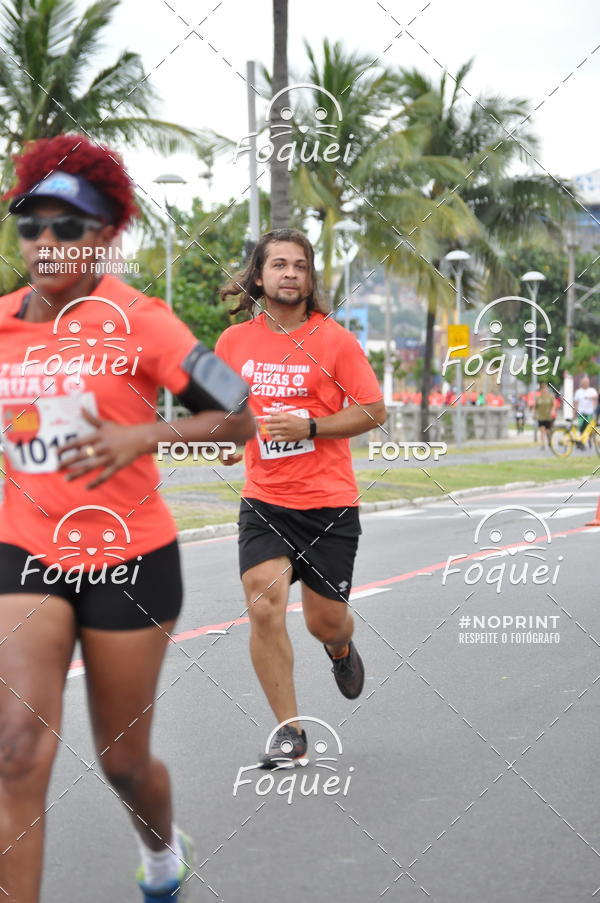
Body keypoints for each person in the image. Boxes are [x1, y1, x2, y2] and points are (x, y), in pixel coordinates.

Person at [0, 134, 254, 903]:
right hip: (25, 548)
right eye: (30, 224)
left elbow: (240, 414)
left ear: (107, 234)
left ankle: (161, 848)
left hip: (129, 559)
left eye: (66, 226)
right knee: (14, 749)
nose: (46, 242)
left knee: (122, 759)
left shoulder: (145, 322)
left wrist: (142, 435)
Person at [215, 229, 386, 768]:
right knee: (263, 602)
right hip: (265, 499)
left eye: (300, 266)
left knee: (323, 621)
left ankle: (339, 649)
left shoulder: (334, 340)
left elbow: (374, 410)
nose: (290, 273)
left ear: (309, 279)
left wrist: (310, 426)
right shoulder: (233, 343)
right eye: (279, 265)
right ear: (259, 276)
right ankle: (290, 732)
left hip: (328, 503)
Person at [534, 382, 555, 449]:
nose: (544, 390)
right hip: (540, 417)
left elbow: (554, 405)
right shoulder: (538, 398)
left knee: (548, 431)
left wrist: (552, 411)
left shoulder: (550, 397)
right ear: (541, 390)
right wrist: (534, 414)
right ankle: (542, 444)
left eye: (545, 389)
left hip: (548, 416)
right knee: (542, 431)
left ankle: (549, 441)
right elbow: (535, 407)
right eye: (543, 389)